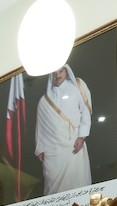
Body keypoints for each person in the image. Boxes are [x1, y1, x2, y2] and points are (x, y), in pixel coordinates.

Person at [35, 64, 92, 196]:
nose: (58, 75)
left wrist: (82, 136)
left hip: (73, 144)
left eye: (61, 71)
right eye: (54, 72)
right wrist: (40, 148)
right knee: (54, 190)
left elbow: (85, 112)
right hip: (53, 150)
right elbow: (41, 127)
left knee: (76, 181)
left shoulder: (76, 88)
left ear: (67, 72)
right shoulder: (44, 101)